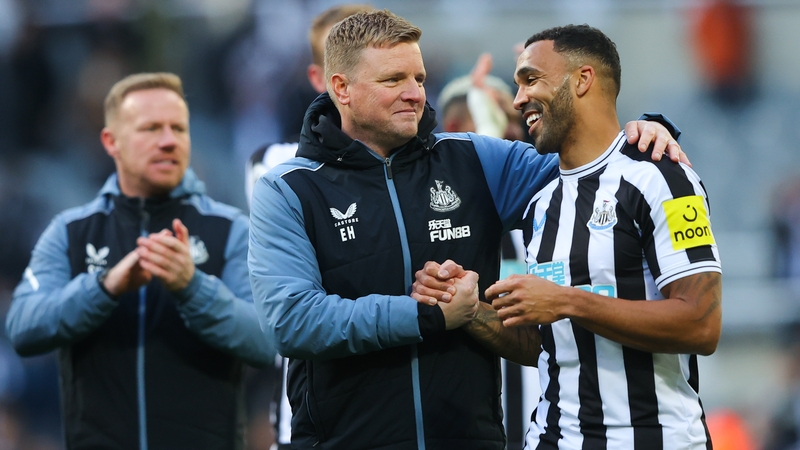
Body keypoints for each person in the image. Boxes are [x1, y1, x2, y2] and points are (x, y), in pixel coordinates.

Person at [248, 10, 684, 450]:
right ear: (340, 88)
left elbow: (589, 167)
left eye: (418, 78)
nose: (415, 94)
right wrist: (425, 315)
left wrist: (642, 133)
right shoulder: (288, 189)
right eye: (393, 80)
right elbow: (292, 321)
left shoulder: (474, 160)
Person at [413, 24, 722, 450]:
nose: (520, 99)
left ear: (583, 80)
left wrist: (568, 300)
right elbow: (545, 344)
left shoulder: (663, 178)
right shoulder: (540, 203)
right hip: (554, 440)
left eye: (531, 80)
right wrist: (467, 309)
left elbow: (702, 324)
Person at [5, 72, 275, 450]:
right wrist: (104, 288)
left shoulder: (230, 229)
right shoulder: (71, 231)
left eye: (178, 128)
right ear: (110, 141)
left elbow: (266, 341)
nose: (168, 141)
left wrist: (192, 288)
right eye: (151, 128)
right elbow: (22, 328)